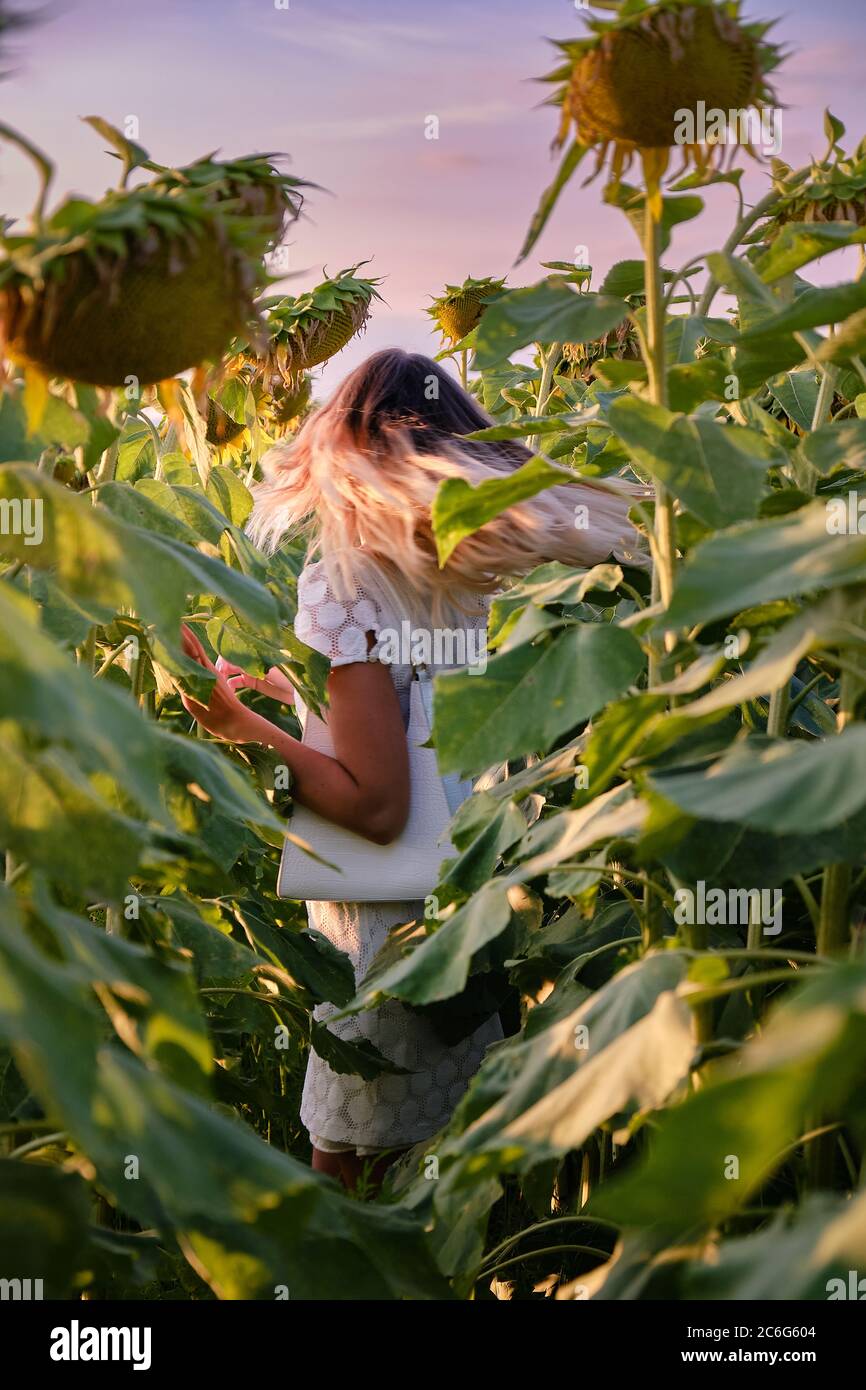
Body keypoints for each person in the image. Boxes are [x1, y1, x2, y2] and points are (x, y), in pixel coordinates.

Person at [180, 347, 644, 1192]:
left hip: (382, 928)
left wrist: (243, 727)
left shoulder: (346, 583)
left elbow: (376, 805)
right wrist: (296, 690)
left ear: (338, 451)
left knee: (350, 1164)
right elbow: (413, 703)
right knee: (434, 1170)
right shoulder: (458, 576)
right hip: (463, 897)